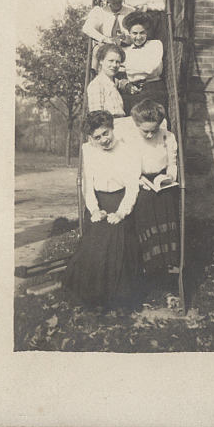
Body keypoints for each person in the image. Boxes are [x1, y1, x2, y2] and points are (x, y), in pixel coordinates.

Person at [61, 110, 140, 311]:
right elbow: (88, 185)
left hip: (121, 201)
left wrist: (122, 212)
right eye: (97, 137)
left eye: (106, 133)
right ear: (90, 138)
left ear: (112, 129)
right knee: (95, 232)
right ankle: (92, 294)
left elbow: (132, 186)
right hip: (99, 202)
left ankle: (117, 296)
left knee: (115, 233)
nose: (103, 140)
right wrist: (94, 210)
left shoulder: (127, 150)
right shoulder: (88, 151)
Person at [128, 99, 180, 276]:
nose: (150, 135)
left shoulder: (167, 137)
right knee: (145, 202)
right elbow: (127, 167)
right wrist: (139, 180)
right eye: (146, 131)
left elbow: (172, 163)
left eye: (154, 130)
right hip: (140, 181)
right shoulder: (131, 139)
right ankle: (149, 261)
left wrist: (170, 177)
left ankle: (167, 261)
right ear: (137, 125)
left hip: (161, 180)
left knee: (166, 200)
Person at [83, 0, 133, 73]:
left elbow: (136, 32)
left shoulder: (130, 12)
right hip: (107, 50)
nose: (117, 0)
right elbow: (87, 28)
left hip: (126, 49)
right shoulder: (100, 12)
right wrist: (105, 39)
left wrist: (125, 38)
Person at [121, 11, 168, 116]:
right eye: (135, 33)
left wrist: (128, 67)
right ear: (129, 33)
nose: (138, 37)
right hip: (133, 91)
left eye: (142, 33)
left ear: (147, 32)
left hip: (153, 89)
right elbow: (120, 71)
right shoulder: (126, 51)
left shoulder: (155, 45)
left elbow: (151, 68)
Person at [87, 43, 126, 117]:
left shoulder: (114, 84)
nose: (114, 65)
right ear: (101, 61)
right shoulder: (97, 84)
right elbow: (97, 118)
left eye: (117, 62)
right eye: (111, 61)